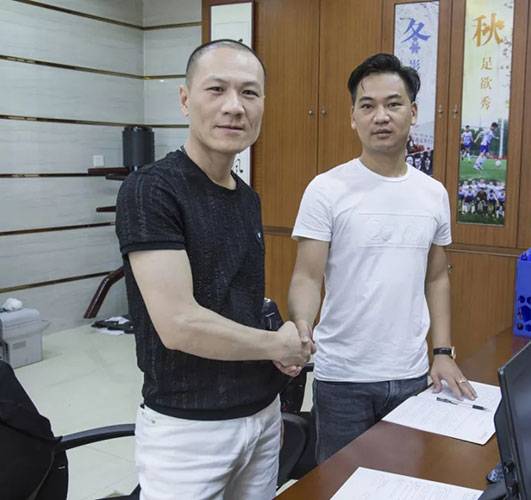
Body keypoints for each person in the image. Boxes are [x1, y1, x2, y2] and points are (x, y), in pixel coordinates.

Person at [115, 39, 313, 500]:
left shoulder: (247, 198)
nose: (234, 107)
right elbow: (179, 324)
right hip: (189, 430)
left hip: (262, 415)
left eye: (249, 93)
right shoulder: (152, 190)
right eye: (216, 89)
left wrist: (282, 342)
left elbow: (237, 304)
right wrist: (275, 344)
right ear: (186, 99)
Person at [286, 53, 476, 464]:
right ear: (353, 117)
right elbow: (307, 277)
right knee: (339, 484)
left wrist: (442, 352)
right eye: (367, 105)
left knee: (400, 479)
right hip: (343, 377)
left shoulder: (433, 194)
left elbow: (436, 277)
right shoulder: (326, 189)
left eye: (393, 104)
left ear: (413, 113)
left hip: (410, 374)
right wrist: (301, 329)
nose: (381, 116)